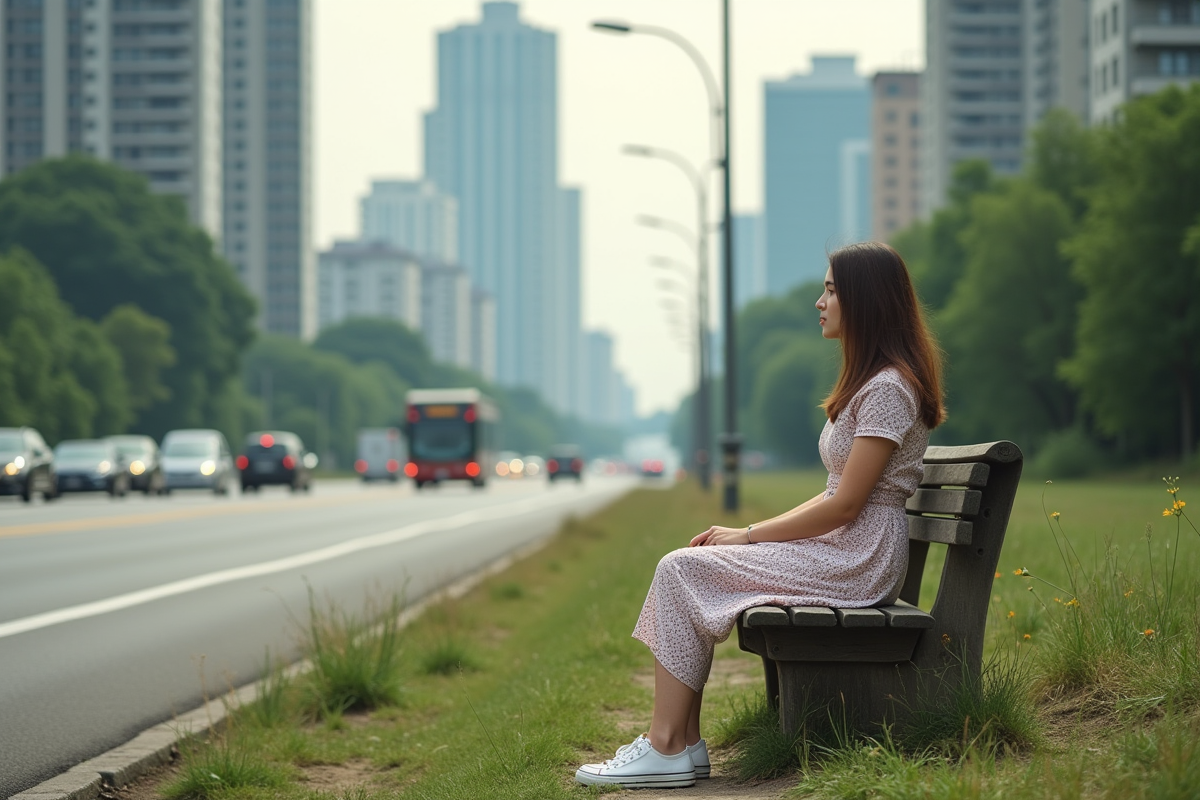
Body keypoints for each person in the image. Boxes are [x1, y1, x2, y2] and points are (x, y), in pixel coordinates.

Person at [574, 242, 945, 788]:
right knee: (689, 563)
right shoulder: (875, 383)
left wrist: (747, 535)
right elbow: (836, 495)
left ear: (865, 301)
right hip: (849, 547)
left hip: (859, 558)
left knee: (681, 568)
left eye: (832, 290)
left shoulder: (889, 388)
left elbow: (844, 504)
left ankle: (667, 746)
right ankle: (684, 744)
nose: (820, 302)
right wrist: (744, 538)